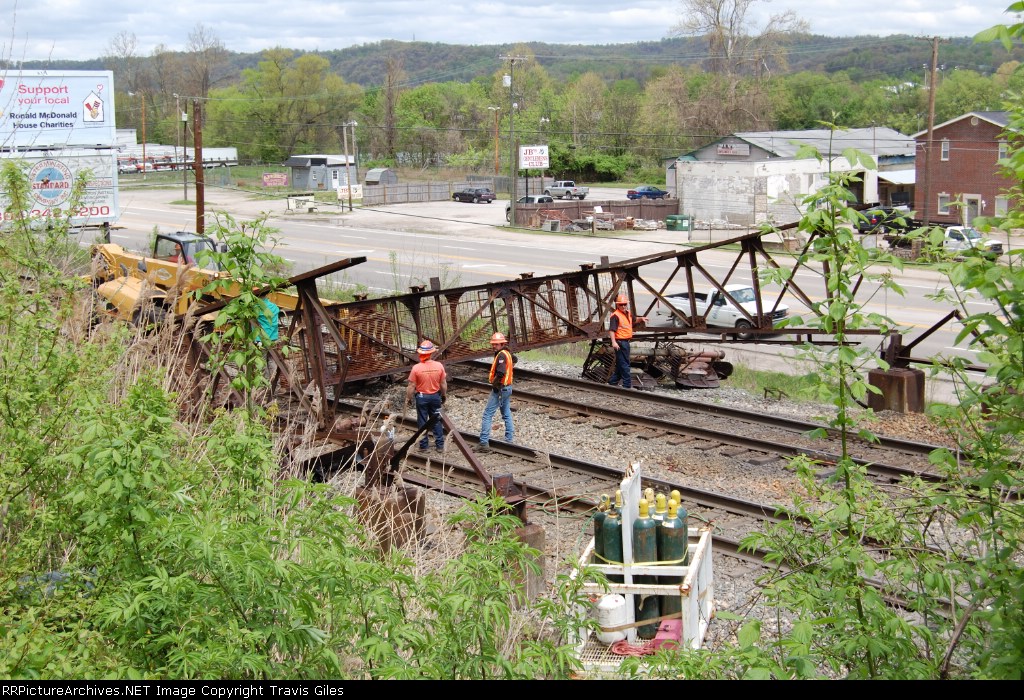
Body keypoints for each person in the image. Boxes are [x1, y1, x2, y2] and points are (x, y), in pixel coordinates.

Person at [404, 340, 447, 452]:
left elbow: (411, 386)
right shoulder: (439, 366)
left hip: (422, 397)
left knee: (422, 421)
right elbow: (443, 383)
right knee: (436, 420)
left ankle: (424, 446)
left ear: (421, 353)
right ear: (431, 353)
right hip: (435, 396)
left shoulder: (416, 368)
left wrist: (408, 398)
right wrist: (443, 395)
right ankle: (440, 446)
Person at [477, 332, 516, 453]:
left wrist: (494, 383)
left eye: (496, 344)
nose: (493, 346)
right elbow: (515, 360)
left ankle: (483, 443)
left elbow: (501, 372)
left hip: (500, 388)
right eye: (493, 344)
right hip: (507, 387)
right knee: (506, 412)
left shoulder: (501, 356)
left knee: (487, 414)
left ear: (502, 343)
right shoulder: (507, 353)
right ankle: (509, 439)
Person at [607, 293, 647, 389]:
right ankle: (627, 386)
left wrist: (641, 319)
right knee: (625, 365)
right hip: (620, 343)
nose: (623, 306)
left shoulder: (627, 313)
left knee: (621, 365)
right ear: (617, 305)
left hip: (626, 342)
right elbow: (612, 330)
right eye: (621, 304)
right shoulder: (615, 316)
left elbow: (633, 320)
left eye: (625, 304)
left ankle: (612, 383)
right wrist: (614, 342)